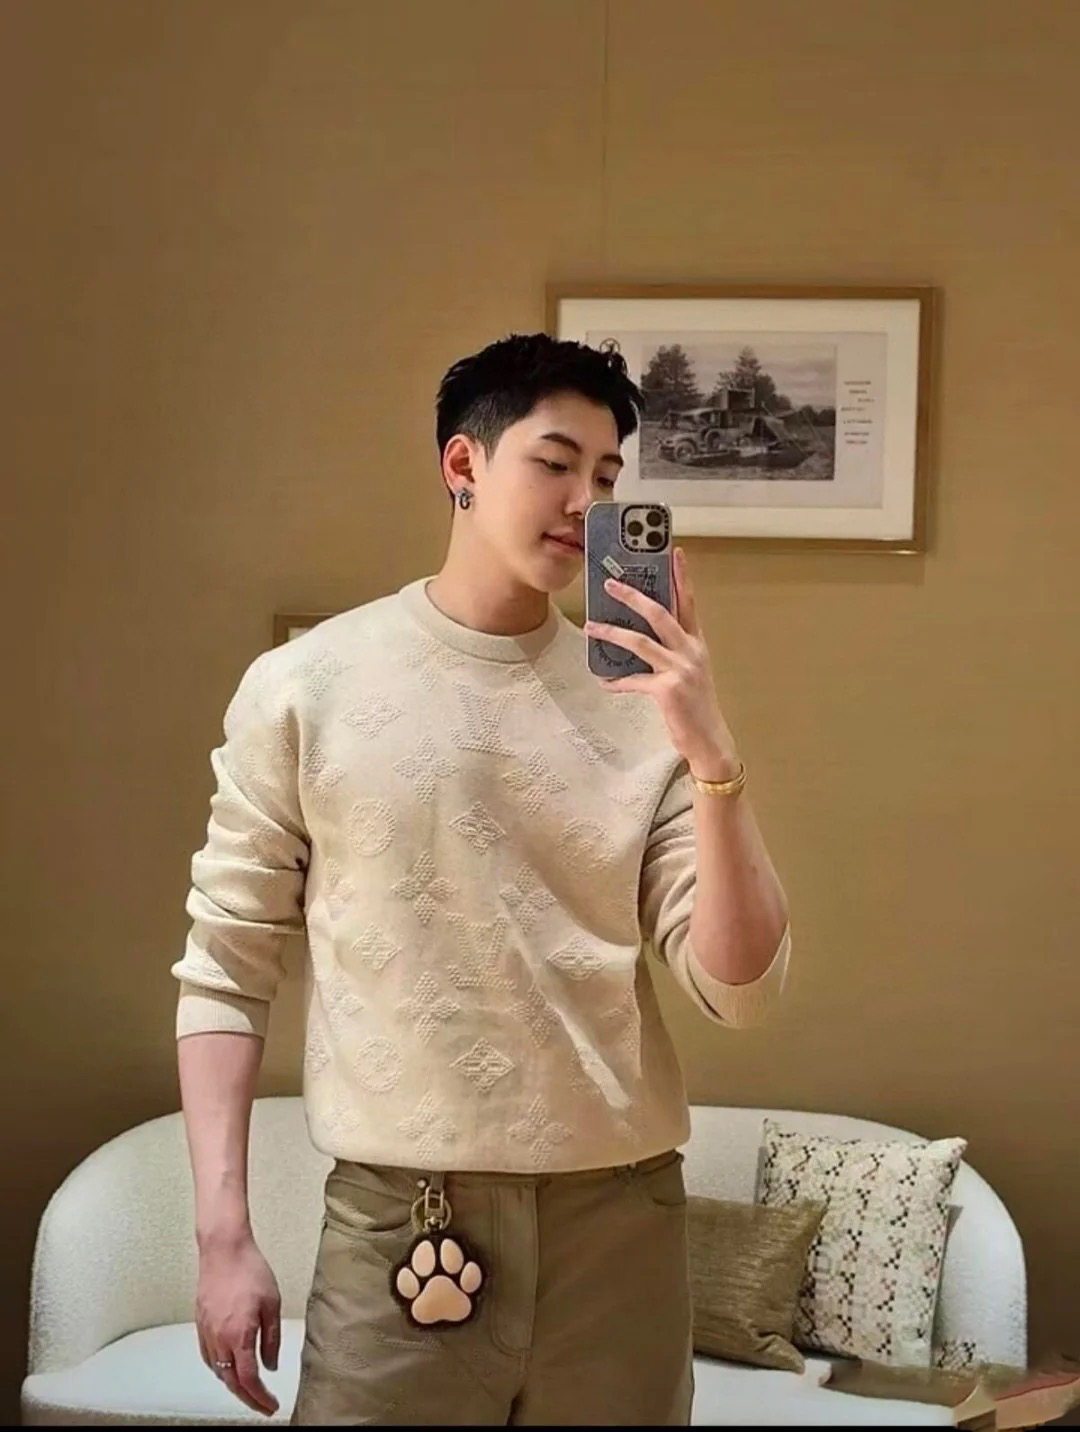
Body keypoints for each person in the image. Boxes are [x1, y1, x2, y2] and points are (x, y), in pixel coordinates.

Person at [172, 333, 791, 1425]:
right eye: (554, 462)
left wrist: (712, 753)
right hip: (399, 1225)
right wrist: (223, 1235)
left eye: (606, 475)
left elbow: (738, 988)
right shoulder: (304, 686)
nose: (584, 501)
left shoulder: (640, 709)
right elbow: (226, 965)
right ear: (463, 465)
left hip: (621, 1229)